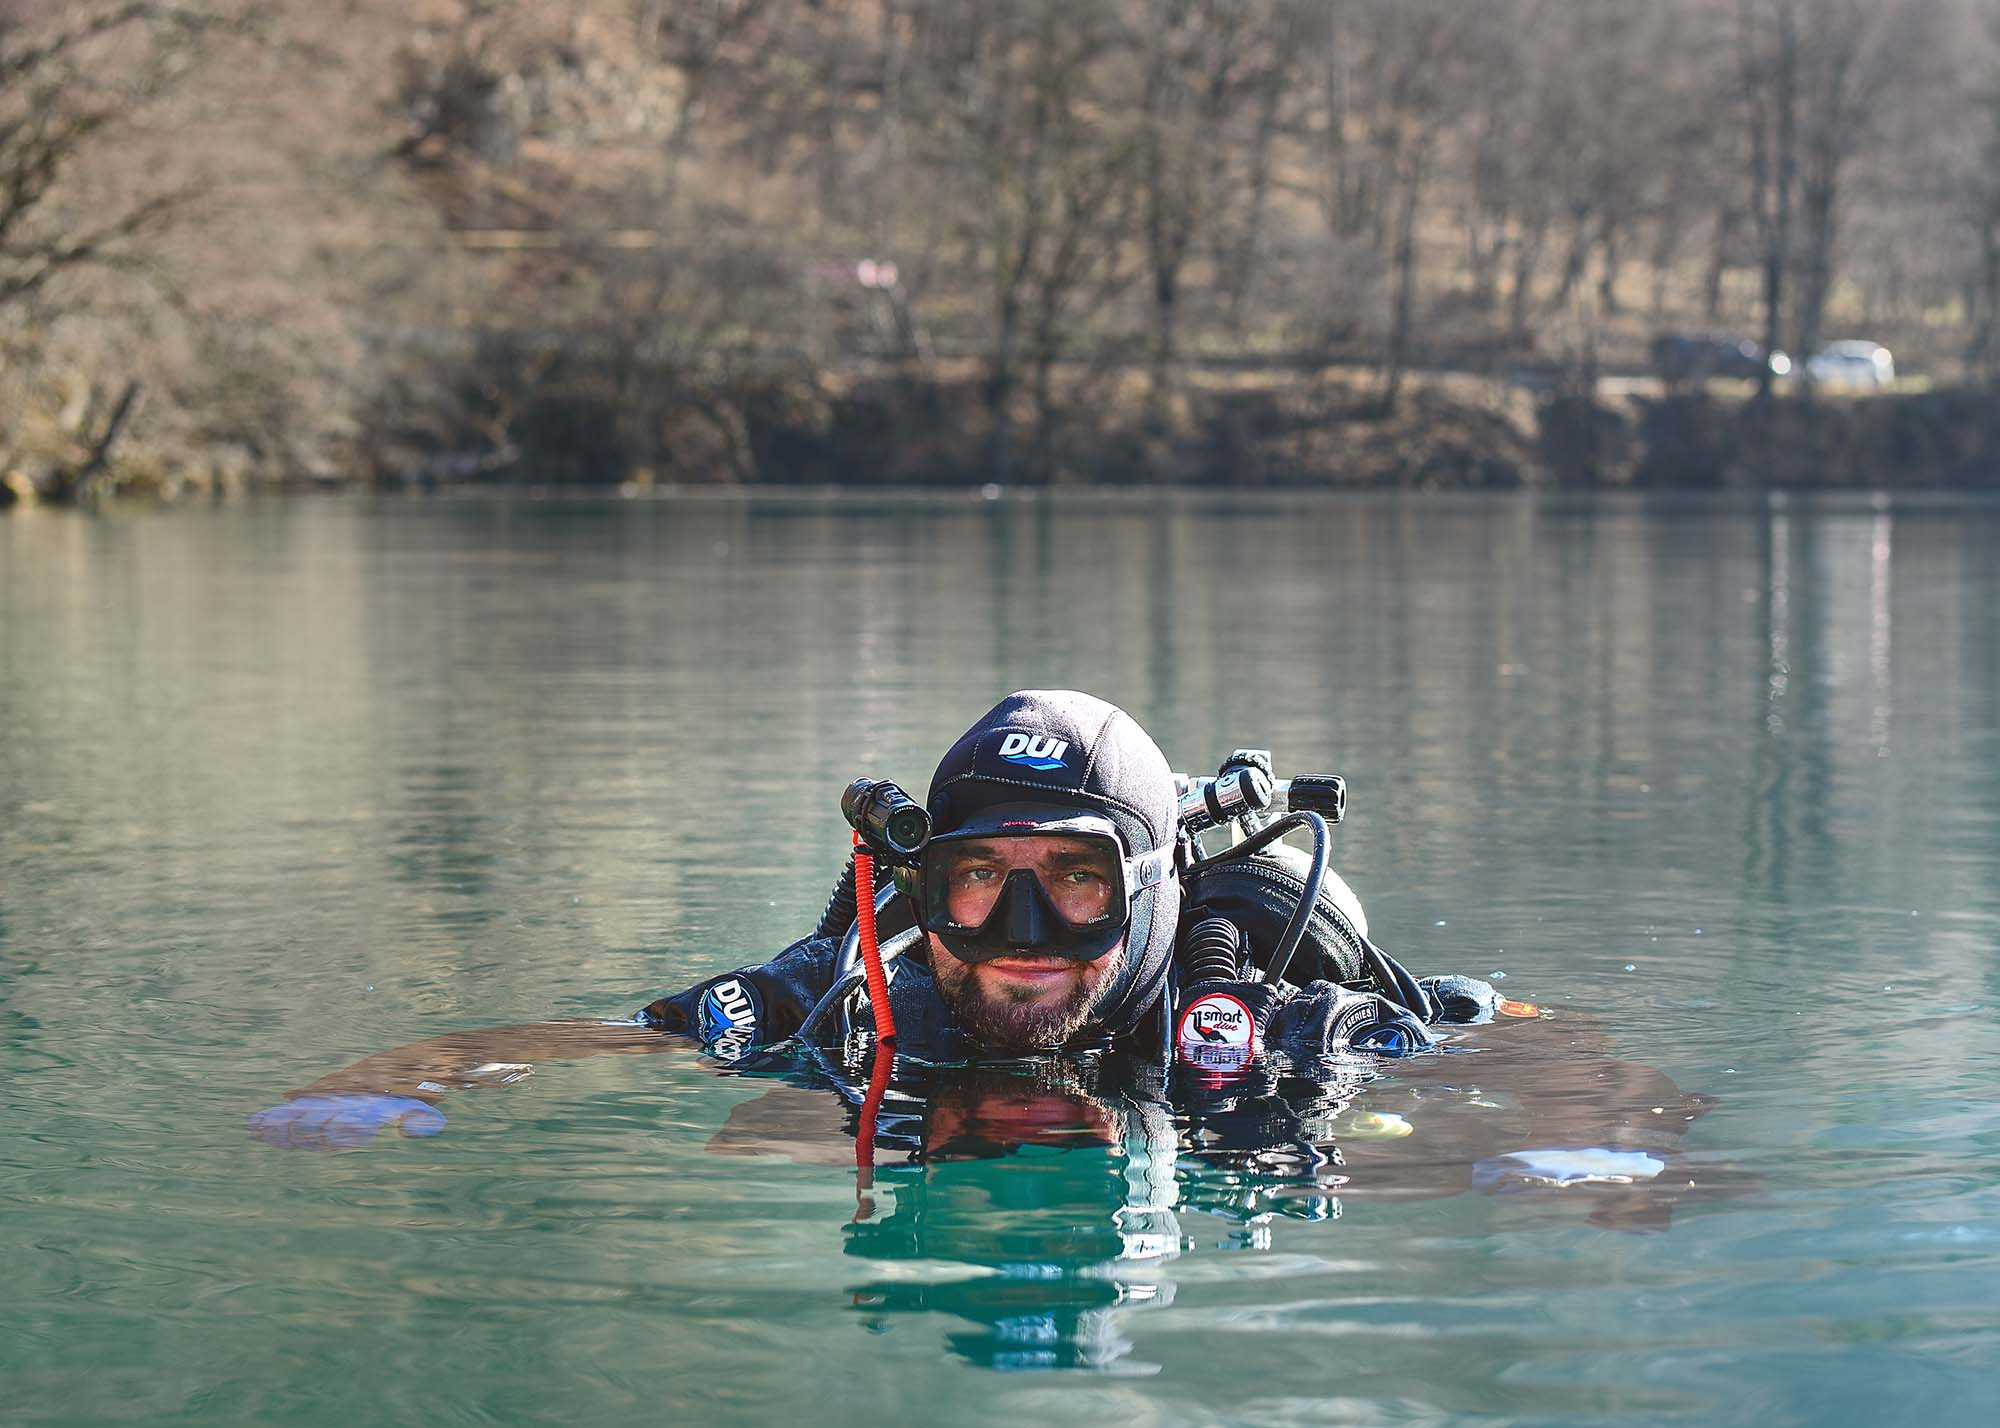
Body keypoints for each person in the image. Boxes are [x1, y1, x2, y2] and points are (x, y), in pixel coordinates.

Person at [639, 688, 1454, 1065]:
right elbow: (604, 1044)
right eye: (981, 874)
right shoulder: (862, 1000)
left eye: (1075, 879)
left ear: (1152, 894)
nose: (1021, 935)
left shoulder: (1282, 1034)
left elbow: (1507, 1065)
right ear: (925, 887)